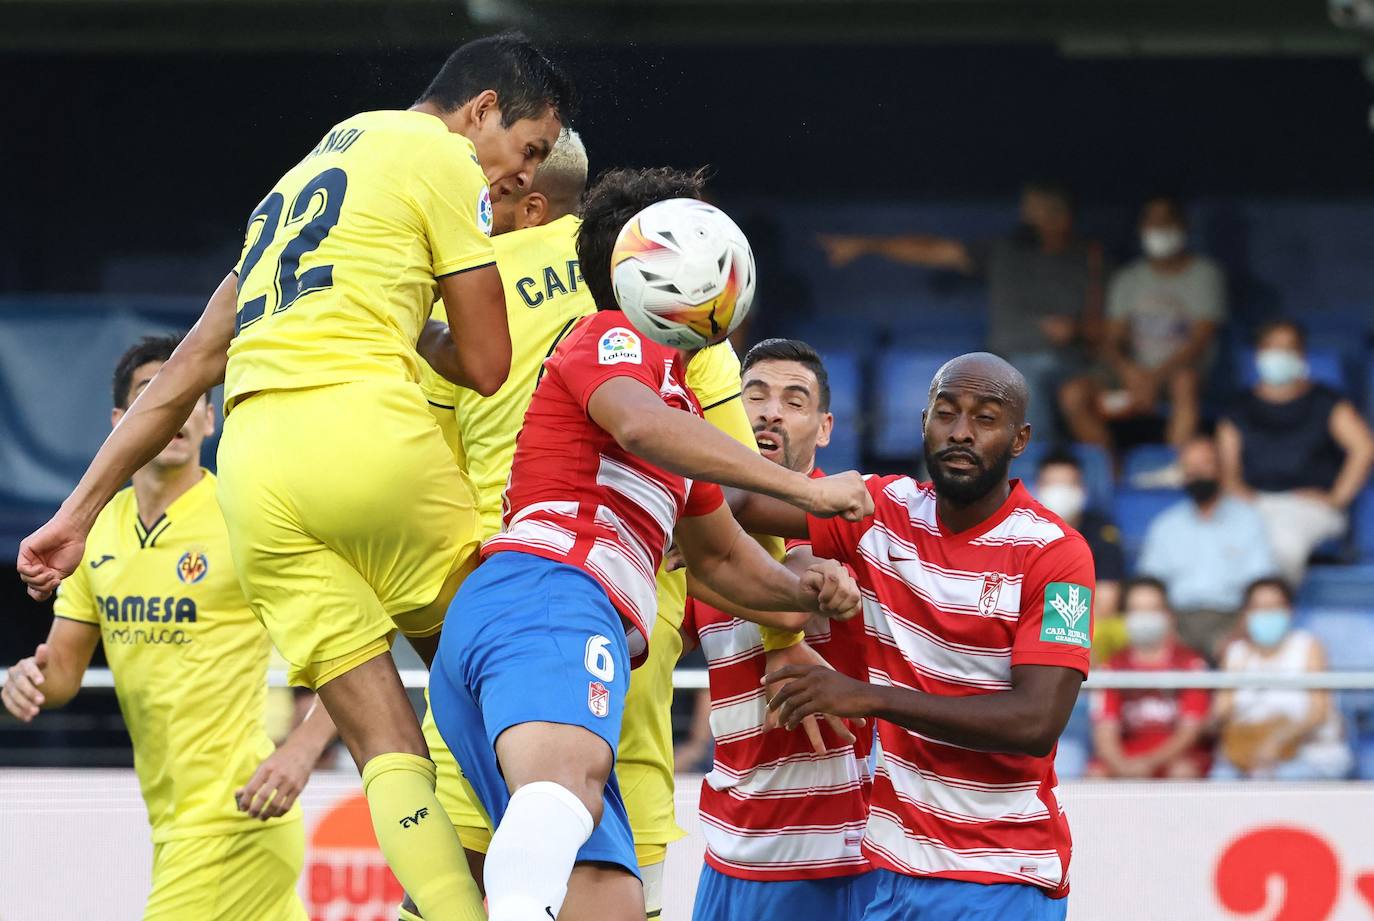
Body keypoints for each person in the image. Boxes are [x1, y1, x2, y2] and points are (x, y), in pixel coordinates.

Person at [16, 34, 576, 921]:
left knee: (383, 739)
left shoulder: (292, 186)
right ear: (480, 111)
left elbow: (186, 370)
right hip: (365, 435)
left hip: (253, 469)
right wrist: (418, 318)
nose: (521, 173)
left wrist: (77, 511)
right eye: (531, 147)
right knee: (505, 671)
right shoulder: (440, 157)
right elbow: (487, 361)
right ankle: (571, 890)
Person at [426, 167, 870, 921]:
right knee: (557, 803)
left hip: (533, 627)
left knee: (612, 900)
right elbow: (636, 424)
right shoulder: (606, 336)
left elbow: (723, 559)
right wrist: (808, 491)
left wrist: (808, 591)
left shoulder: (680, 405)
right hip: (550, 601)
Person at [744, 352, 1096, 920]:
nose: (960, 432)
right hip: (891, 874)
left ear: (1019, 439)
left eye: (985, 418)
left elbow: (1036, 723)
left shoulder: (1056, 554)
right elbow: (740, 504)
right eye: (946, 413)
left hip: (1001, 876)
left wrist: (869, 698)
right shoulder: (884, 511)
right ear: (924, 422)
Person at [2, 336, 337, 920]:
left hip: (234, 815)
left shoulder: (245, 516)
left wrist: (302, 751)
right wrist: (25, 681)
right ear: (121, 422)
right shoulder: (96, 530)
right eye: (155, 397)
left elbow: (351, 640)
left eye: (189, 400)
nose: (175, 413)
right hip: (173, 823)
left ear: (210, 417)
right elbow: (61, 677)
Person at [683, 338, 877, 921]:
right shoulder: (704, 530)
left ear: (824, 428)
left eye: (795, 401)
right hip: (727, 848)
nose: (771, 411)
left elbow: (794, 603)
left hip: (828, 854)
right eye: (755, 395)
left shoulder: (850, 520)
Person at [818, 181, 1105, 439]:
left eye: (1038, 210)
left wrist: (1074, 330)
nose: (1027, 217)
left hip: (1071, 364)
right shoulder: (1004, 251)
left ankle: (1104, 483)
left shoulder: (1087, 257)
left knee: (1069, 396)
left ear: (1062, 216)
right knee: (977, 397)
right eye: (1026, 209)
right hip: (1011, 364)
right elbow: (934, 249)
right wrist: (867, 245)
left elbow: (1105, 328)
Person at [1060, 195, 1225, 449]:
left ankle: (1175, 470)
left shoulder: (1205, 275)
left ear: (1184, 227)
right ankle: (1107, 471)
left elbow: (1199, 341)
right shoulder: (1128, 278)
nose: (1158, 229)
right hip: (1131, 373)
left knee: (1185, 383)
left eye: (1166, 221)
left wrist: (1153, 379)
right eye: (1151, 222)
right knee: (1073, 394)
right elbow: (1112, 338)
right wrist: (1130, 373)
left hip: (1179, 372)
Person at [1218, 319, 1374, 585]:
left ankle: (1273, 612)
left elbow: (1364, 448)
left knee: (1283, 544)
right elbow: (1227, 471)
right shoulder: (1238, 408)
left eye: (1287, 348)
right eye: (1271, 347)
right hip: (1253, 502)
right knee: (1226, 543)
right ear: (1258, 354)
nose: (1278, 354)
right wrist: (1251, 500)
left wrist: (1336, 498)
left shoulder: (1327, 402)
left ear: (1301, 355)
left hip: (1307, 506)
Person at [1137, 434, 1277, 659]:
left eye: (1205, 464)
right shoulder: (1166, 526)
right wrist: (1170, 637)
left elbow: (1261, 587)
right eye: (1190, 467)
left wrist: (1237, 635)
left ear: (1221, 469)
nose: (1198, 473)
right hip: (1177, 621)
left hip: (1231, 620)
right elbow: (1149, 588)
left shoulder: (1248, 520)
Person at [1210, 578, 1353, 780]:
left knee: (1281, 778)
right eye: (1258, 607)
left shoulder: (1308, 647)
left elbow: (1319, 712)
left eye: (1274, 606)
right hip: (1248, 751)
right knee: (1220, 778)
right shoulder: (1235, 653)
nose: (1266, 613)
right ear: (1245, 614)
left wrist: (1278, 741)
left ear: (1289, 610)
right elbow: (1221, 712)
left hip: (1305, 750)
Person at [1088, 578, 1211, 780]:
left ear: (1168, 616)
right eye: (1136, 610)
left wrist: (1149, 763)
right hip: (1127, 753)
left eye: (1151, 609)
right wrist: (1121, 765)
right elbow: (1104, 730)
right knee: (1096, 773)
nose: (1143, 617)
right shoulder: (1113, 666)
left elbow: (1189, 731)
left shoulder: (1191, 664)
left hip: (1175, 756)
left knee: (1182, 772)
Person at [1032, 448, 1126, 661]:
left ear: (1082, 490)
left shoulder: (1103, 533)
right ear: (1037, 489)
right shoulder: (1021, 531)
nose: (1060, 493)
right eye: (1052, 485)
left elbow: (1105, 605)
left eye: (1067, 485)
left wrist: (1058, 630)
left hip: (1084, 629)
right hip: (1030, 627)